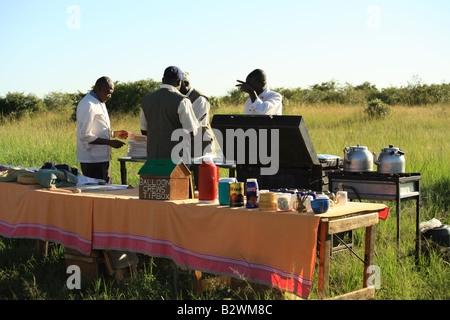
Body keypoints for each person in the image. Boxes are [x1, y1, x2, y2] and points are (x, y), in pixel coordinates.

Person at [140, 66, 199, 161]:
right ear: (179, 82)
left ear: (163, 80)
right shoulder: (182, 100)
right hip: (177, 159)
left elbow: (143, 130)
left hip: (153, 157)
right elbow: (191, 131)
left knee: (154, 176)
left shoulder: (147, 99)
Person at [76, 76, 128, 183]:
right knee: (98, 192)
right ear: (99, 89)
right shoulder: (88, 104)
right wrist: (109, 142)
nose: (110, 96)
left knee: (106, 189)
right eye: (108, 92)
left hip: (102, 158)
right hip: (92, 160)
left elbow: (97, 128)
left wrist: (113, 133)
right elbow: (84, 135)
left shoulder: (100, 102)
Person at [180, 71, 215, 156]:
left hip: (202, 146)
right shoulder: (181, 98)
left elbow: (195, 126)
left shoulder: (200, 100)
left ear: (186, 83)